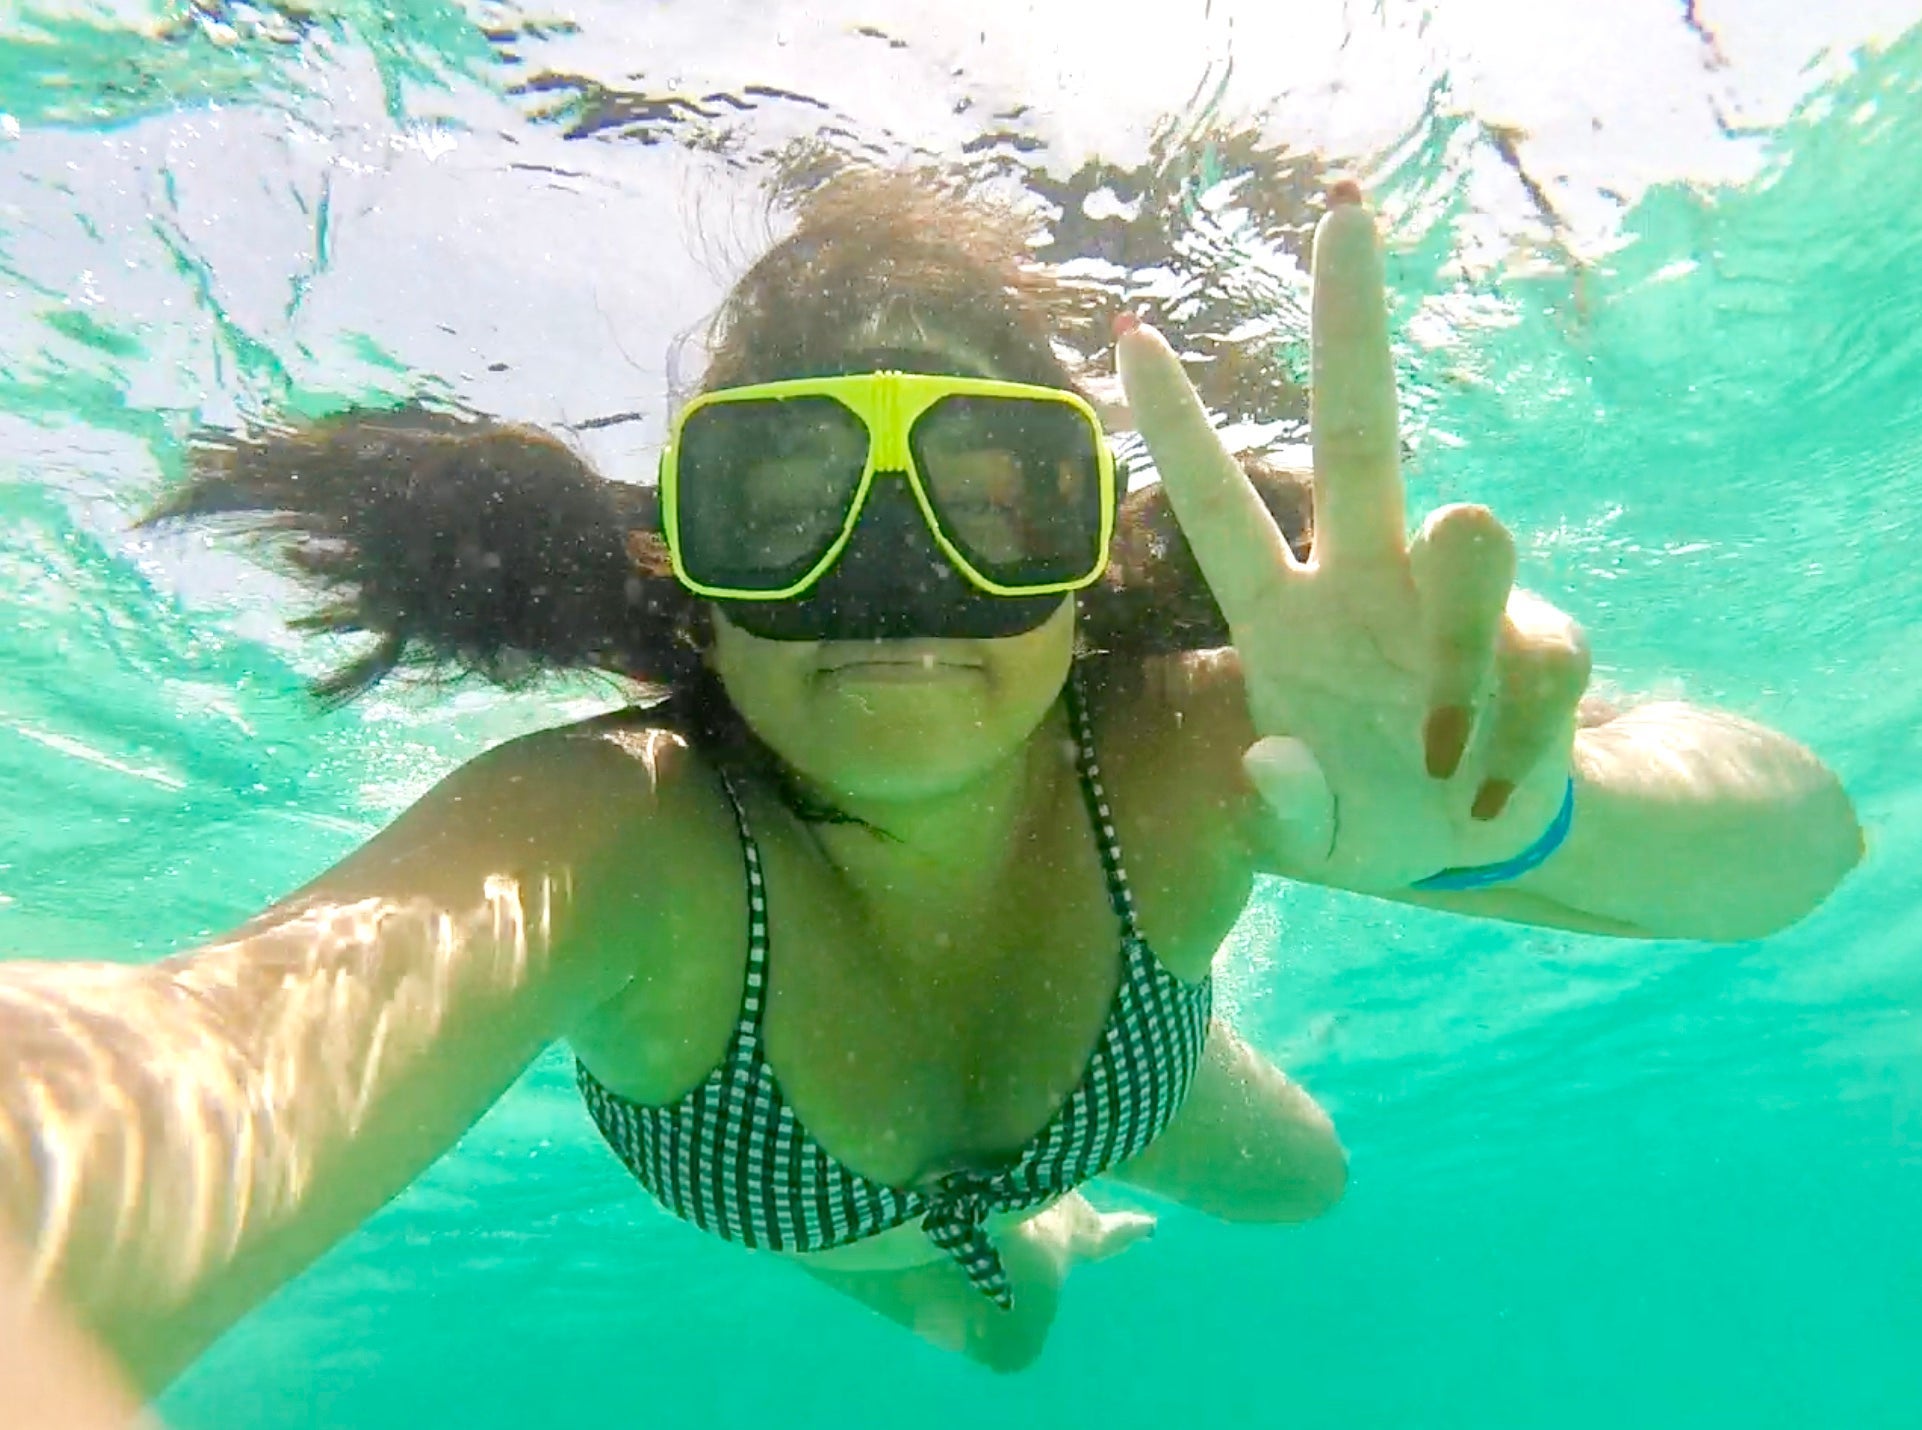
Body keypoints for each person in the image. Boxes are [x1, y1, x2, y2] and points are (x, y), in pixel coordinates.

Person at [0, 166, 1862, 1394]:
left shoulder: (1190, 745)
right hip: (806, 1186)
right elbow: (211, 1049)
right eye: (789, 508)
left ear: (1088, 563)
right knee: (1000, 1326)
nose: (893, 584)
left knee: (1302, 1185)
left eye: (990, 502)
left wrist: (1526, 809)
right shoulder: (615, 833)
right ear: (693, 584)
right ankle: (977, 1249)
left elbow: (1802, 838)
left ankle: (1030, 1216)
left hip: (1109, 1082)